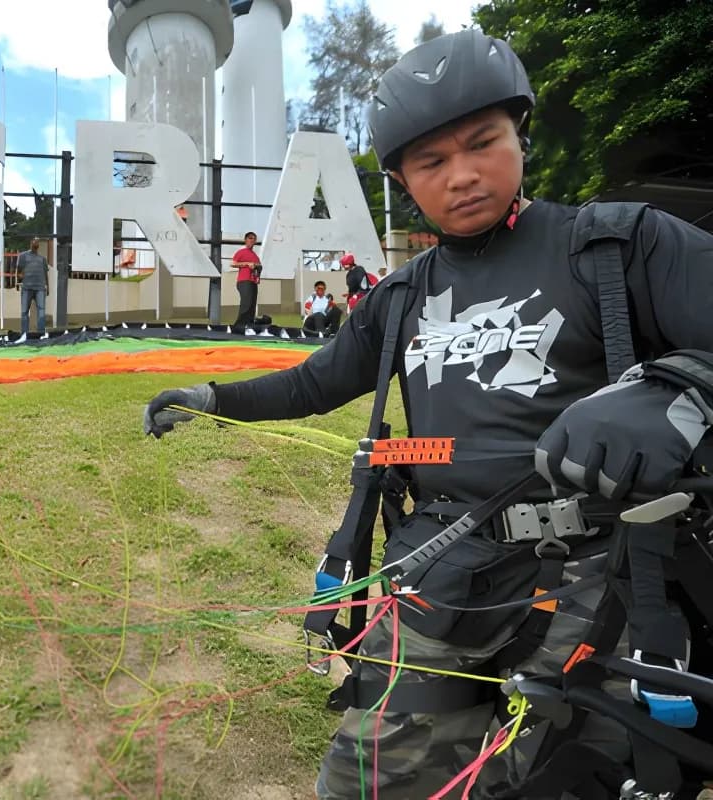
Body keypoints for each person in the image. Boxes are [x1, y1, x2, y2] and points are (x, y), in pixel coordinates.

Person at [143, 28, 713, 800]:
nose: (464, 175)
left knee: (571, 778)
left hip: (604, 575)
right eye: (431, 162)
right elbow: (316, 382)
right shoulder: (400, 296)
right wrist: (215, 400)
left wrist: (673, 386)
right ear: (404, 180)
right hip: (444, 564)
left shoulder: (617, 245)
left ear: (521, 133)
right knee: (365, 781)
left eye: (484, 143)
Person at [16, 239, 49, 334]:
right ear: (30, 244)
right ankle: (24, 333)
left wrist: (48, 287)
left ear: (38, 246)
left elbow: (46, 274)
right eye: (34, 244)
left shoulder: (42, 259)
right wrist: (18, 281)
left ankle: (41, 332)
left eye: (37, 244)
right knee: (24, 312)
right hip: (27, 287)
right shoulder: (23, 256)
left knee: (41, 311)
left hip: (40, 288)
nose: (35, 246)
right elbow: (18, 270)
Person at [232, 231, 262, 327]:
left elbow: (259, 267)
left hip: (253, 281)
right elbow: (233, 263)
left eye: (254, 238)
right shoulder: (241, 252)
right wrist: (247, 264)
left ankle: (249, 325)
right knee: (246, 303)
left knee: (252, 305)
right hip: (244, 281)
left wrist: (258, 276)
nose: (252, 240)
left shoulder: (255, 255)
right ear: (245, 240)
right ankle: (239, 325)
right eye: (250, 238)